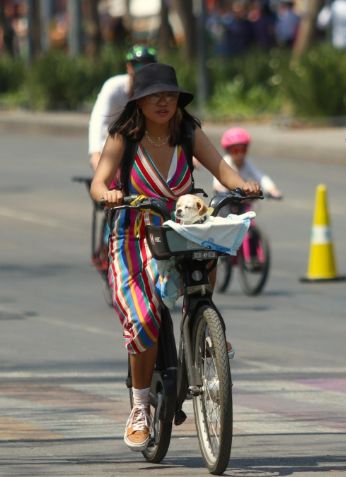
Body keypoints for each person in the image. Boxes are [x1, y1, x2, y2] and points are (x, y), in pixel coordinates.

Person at [89, 63, 260, 452]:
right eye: (154, 96)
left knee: (209, 253)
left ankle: (205, 328)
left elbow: (221, 168)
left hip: (180, 232)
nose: (163, 101)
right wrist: (109, 194)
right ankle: (139, 408)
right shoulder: (124, 137)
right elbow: (100, 182)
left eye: (170, 95)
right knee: (145, 319)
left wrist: (242, 185)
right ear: (139, 102)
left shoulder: (187, 133)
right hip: (132, 237)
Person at [88, 45, 158, 171]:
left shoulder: (159, 91)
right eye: (138, 66)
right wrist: (95, 153)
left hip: (143, 147)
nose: (143, 71)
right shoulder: (113, 87)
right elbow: (98, 120)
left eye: (149, 66)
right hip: (111, 146)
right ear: (129, 68)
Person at [213, 127, 283, 199]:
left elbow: (260, 176)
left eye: (243, 150)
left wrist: (271, 189)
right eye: (235, 150)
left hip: (244, 200)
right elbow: (219, 179)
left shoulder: (247, 163)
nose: (239, 154)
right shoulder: (225, 162)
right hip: (227, 200)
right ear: (228, 151)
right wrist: (220, 189)